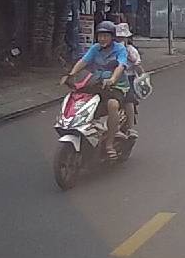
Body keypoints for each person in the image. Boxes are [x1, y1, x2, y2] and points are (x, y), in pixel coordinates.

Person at [60, 20, 130, 158]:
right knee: (81, 99)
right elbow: (83, 61)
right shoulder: (95, 48)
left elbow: (121, 66)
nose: (102, 39)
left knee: (112, 104)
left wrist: (112, 80)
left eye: (106, 36)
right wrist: (71, 75)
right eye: (100, 36)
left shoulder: (120, 49)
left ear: (112, 37)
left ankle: (109, 143)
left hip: (116, 86)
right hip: (96, 82)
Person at [115, 23, 143, 137]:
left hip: (128, 78)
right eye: (118, 38)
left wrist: (132, 60)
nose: (120, 40)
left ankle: (130, 128)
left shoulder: (131, 50)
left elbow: (138, 67)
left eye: (122, 38)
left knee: (128, 100)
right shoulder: (111, 49)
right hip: (113, 77)